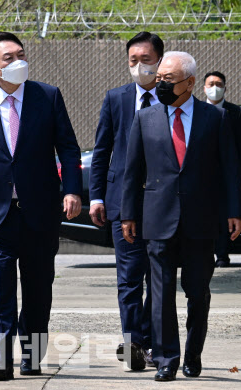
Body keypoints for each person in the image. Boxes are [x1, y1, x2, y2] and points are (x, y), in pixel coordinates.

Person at [0, 32, 82, 381]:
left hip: (40, 211)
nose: (18, 61)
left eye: (20, 54)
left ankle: (32, 357)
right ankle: (1, 359)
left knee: (38, 287)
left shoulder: (47, 96)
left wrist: (72, 190)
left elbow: (68, 148)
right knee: (0, 285)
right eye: (8, 57)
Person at [121, 51, 241, 382]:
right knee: (159, 294)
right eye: (158, 79)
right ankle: (167, 358)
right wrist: (128, 214)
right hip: (157, 219)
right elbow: (133, 172)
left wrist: (234, 211)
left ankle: (192, 355)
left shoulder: (214, 119)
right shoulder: (145, 118)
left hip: (201, 220)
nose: (160, 85)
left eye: (168, 80)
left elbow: (229, 169)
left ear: (190, 83)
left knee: (197, 291)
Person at [89, 31, 163, 370]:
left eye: (145, 60)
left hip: (163, 204)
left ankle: (147, 339)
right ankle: (134, 342)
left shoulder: (172, 99)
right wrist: (96, 196)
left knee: (159, 276)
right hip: (123, 203)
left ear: (159, 61)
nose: (138, 67)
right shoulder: (115, 98)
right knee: (130, 277)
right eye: (133, 60)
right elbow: (102, 151)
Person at [203, 71, 241, 267]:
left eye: (219, 84)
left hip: (225, 173)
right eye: (211, 84)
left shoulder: (235, 112)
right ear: (204, 87)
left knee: (225, 215)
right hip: (202, 173)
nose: (215, 88)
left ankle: (222, 255)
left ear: (225, 88)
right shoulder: (196, 110)